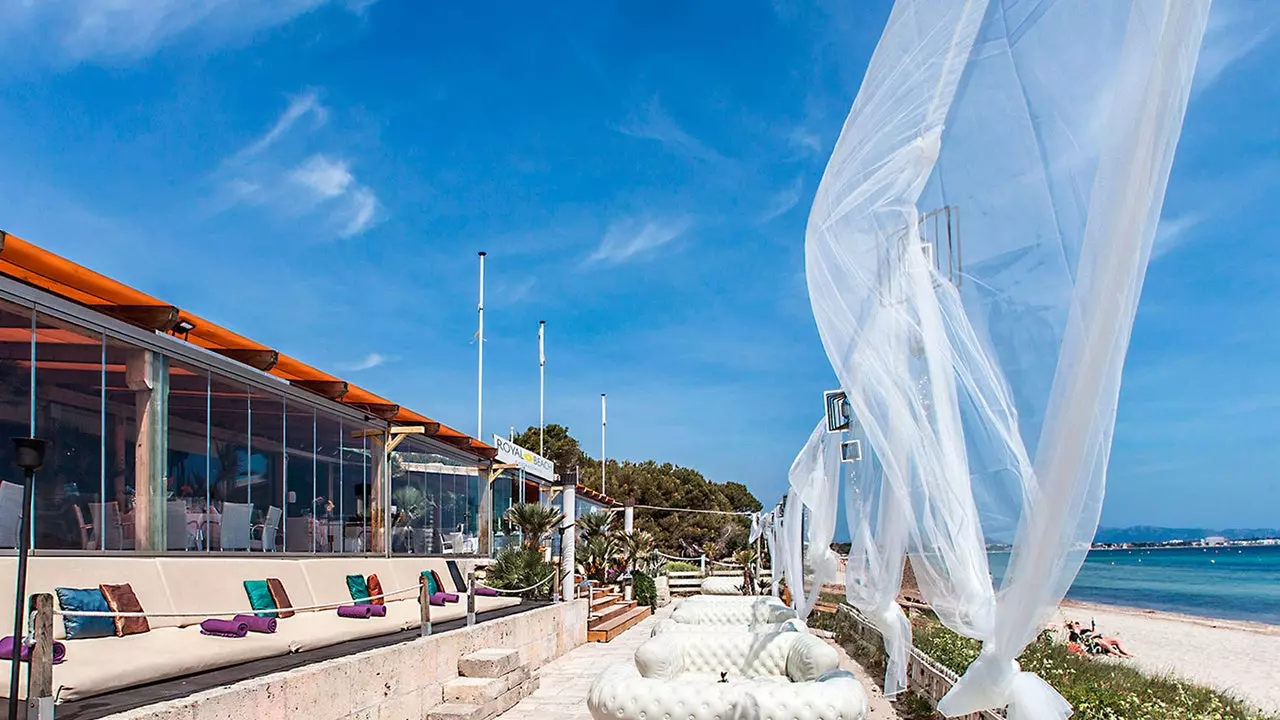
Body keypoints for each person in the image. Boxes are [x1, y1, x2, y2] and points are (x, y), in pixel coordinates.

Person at [1066, 620, 1134, 658]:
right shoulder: (1074, 635)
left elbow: (1093, 632)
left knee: (1116, 640)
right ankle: (1120, 655)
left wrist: (1093, 627)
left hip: (1097, 638)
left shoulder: (1083, 630)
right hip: (1092, 644)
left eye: (1077, 623)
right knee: (1101, 642)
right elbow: (1079, 643)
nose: (1078, 624)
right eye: (1075, 624)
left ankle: (1124, 652)